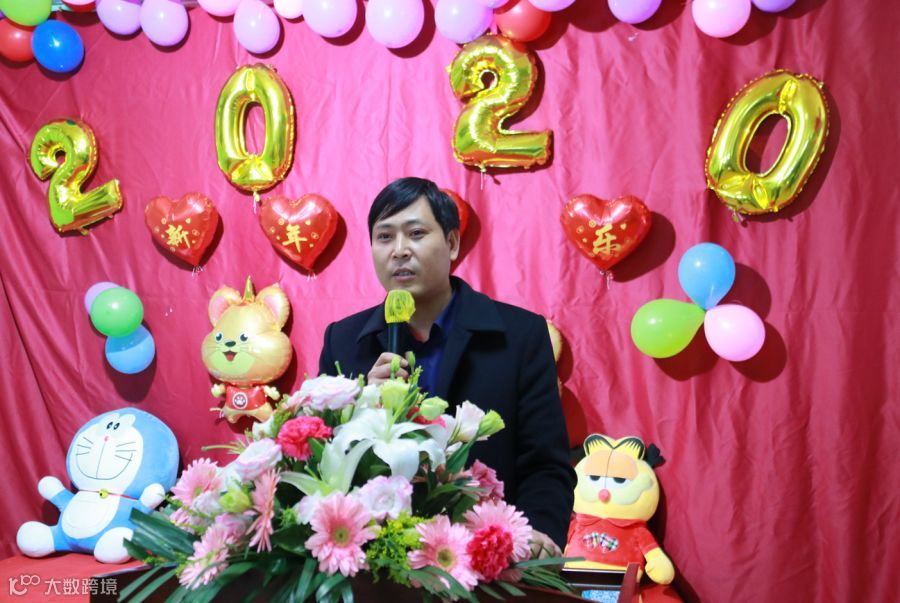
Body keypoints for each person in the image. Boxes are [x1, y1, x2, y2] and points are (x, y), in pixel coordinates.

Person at [318, 177, 576, 554]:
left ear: (452, 243)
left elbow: (546, 464)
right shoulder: (343, 341)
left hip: (493, 559)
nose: (399, 251)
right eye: (384, 237)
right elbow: (324, 463)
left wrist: (536, 537)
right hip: (379, 559)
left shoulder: (520, 335)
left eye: (416, 234)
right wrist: (361, 406)